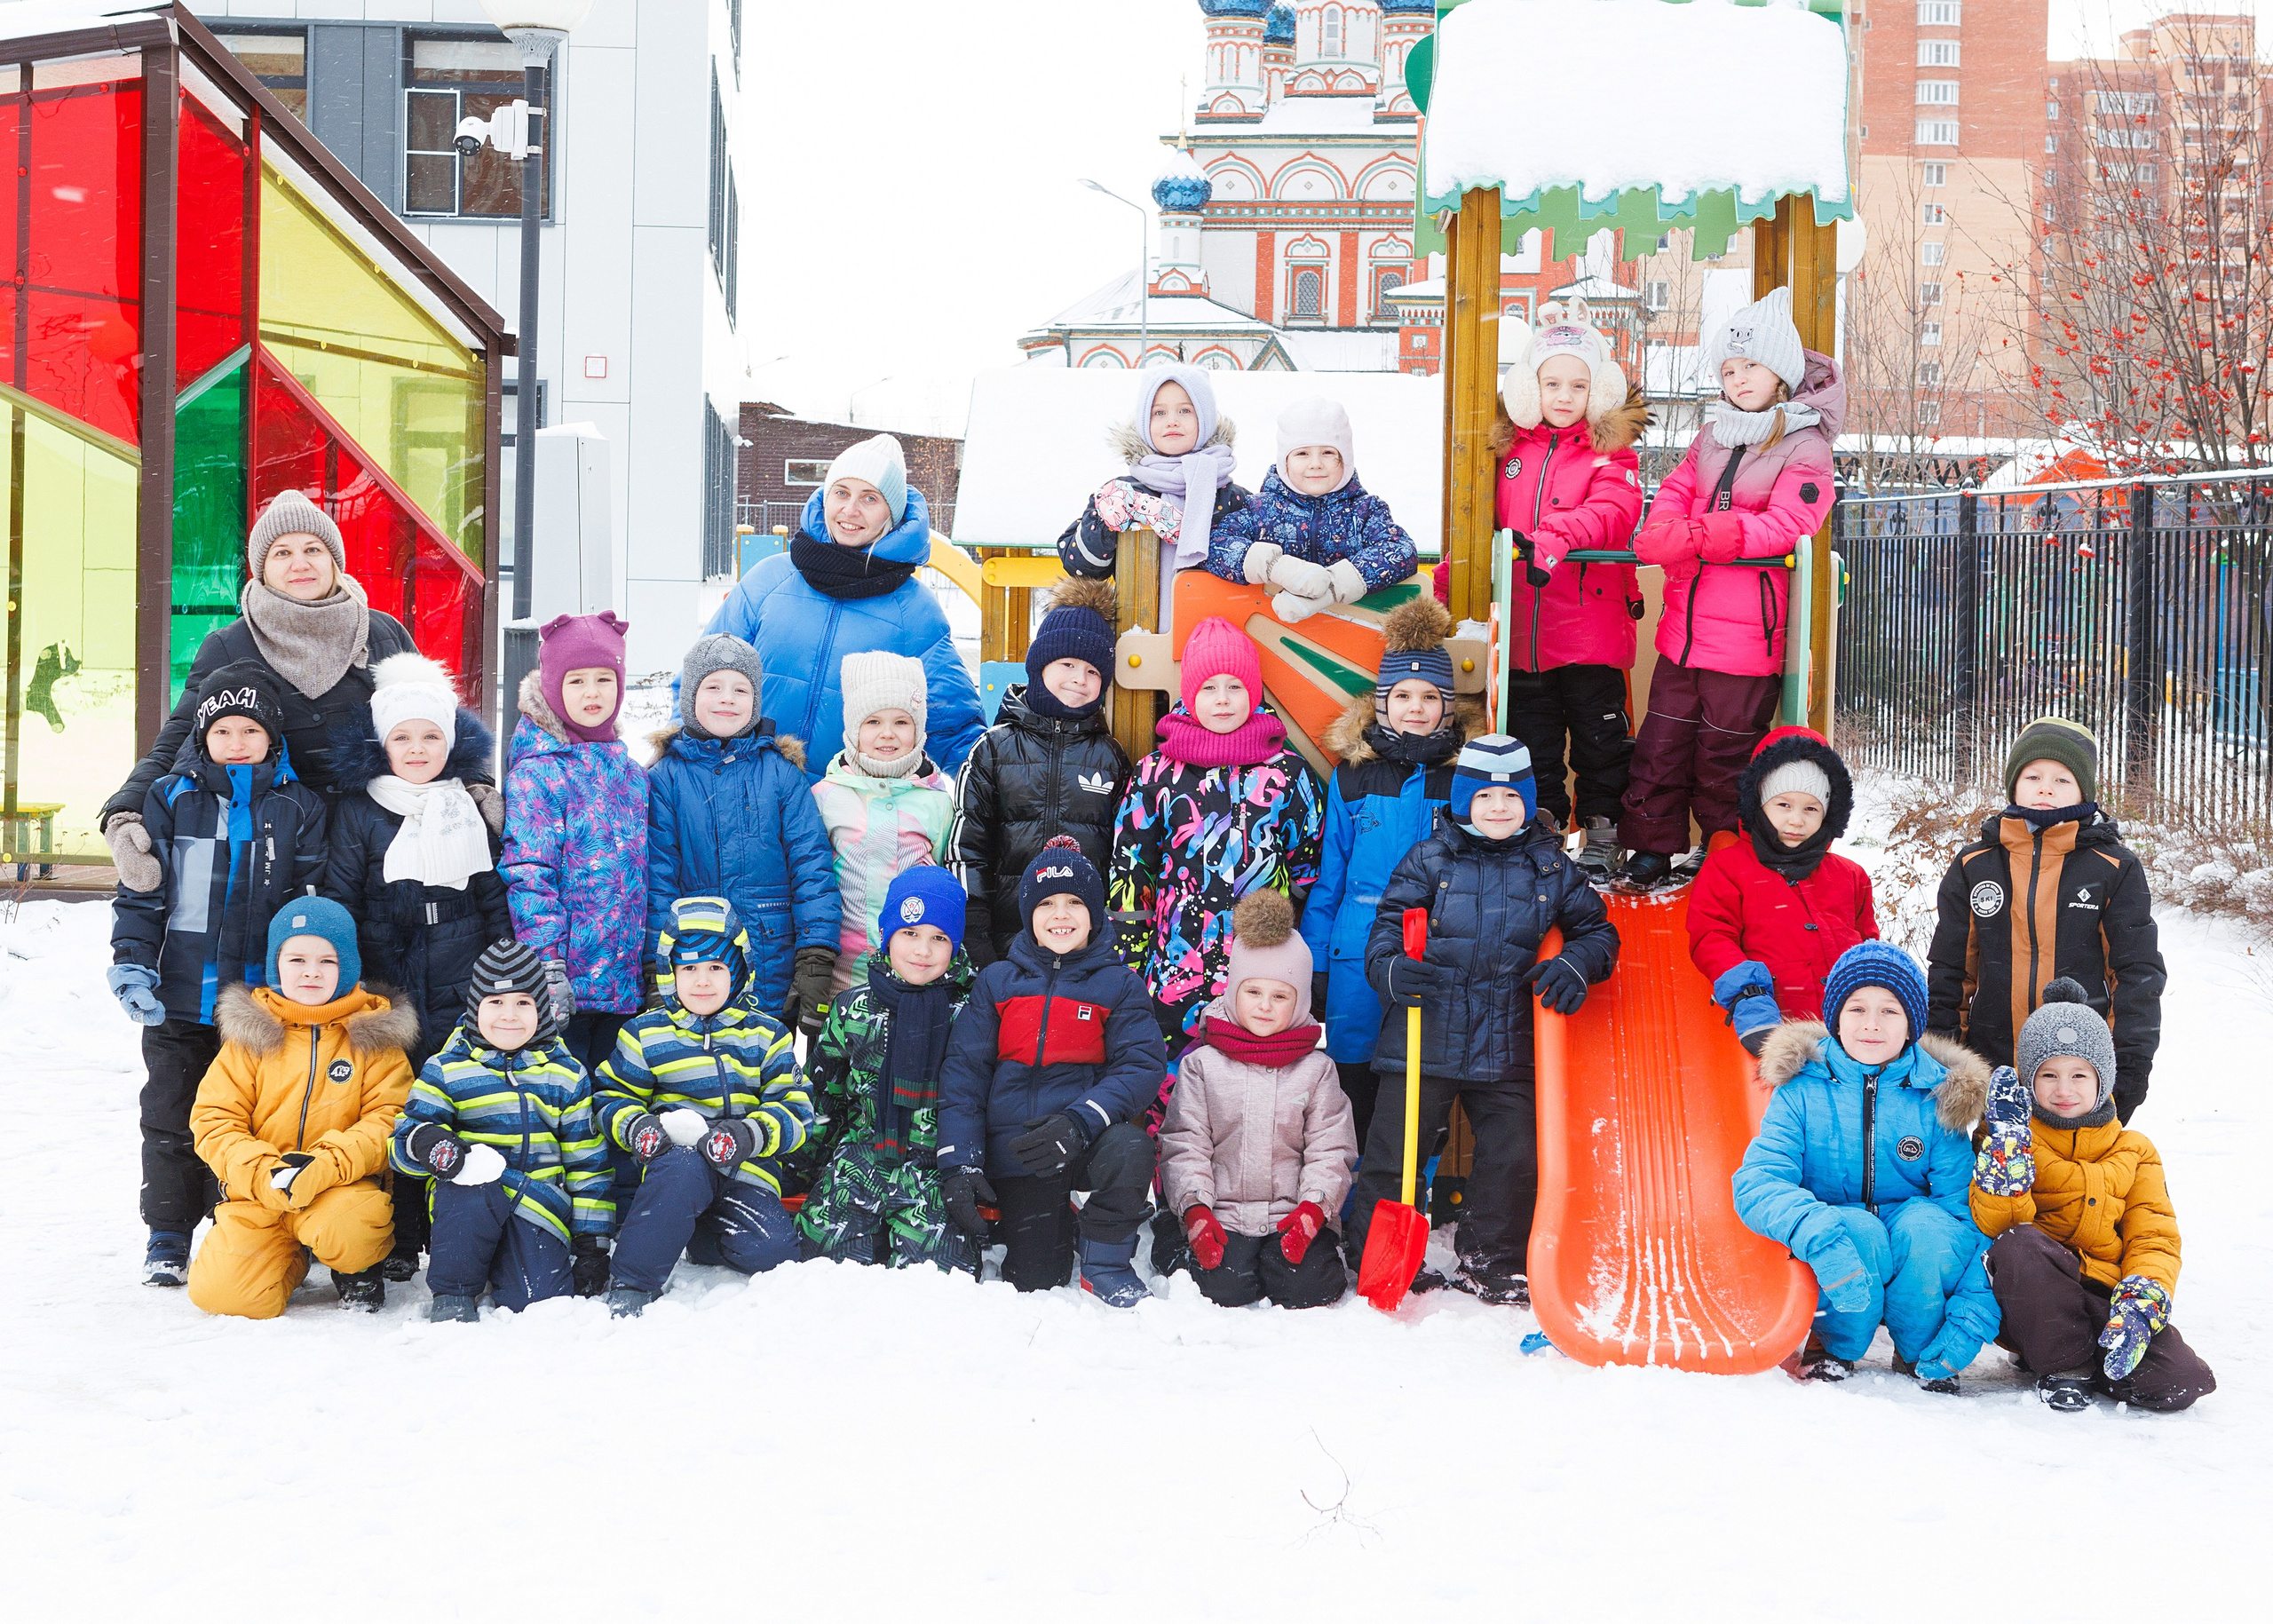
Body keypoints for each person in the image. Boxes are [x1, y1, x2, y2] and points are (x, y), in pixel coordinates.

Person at [101, 489, 492, 891]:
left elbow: (440, 726)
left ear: (334, 561)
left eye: (313, 549)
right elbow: (180, 736)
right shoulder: (230, 646)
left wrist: (479, 787)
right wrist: (126, 809)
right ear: (262, 569)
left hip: (379, 837)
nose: (300, 564)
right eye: (282, 553)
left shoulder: (382, 632)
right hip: (276, 843)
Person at [1347, 736, 1619, 1305]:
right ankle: (1374, 1254)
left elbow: (1599, 932)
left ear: (1528, 802)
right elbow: (1388, 927)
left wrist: (1575, 964)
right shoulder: (1429, 858)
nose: (1498, 807)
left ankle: (1491, 1257)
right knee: (1395, 1149)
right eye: (1485, 796)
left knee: (1515, 1154)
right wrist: (1391, 970)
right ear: (1464, 800)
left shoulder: (1550, 867)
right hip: (1424, 1035)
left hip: (1508, 1042)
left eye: (1510, 797)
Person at [108, 662, 329, 1287]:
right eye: (223, 729)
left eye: (249, 729)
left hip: (259, 1005)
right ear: (202, 734)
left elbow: (309, 901)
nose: (236, 741)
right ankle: (169, 1232)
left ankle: (242, 1224)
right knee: (172, 1115)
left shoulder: (298, 806)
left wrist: (307, 981)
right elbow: (143, 892)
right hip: (179, 999)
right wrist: (132, 960)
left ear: (272, 736)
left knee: (254, 1123)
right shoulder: (173, 798)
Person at [1621, 288, 1841, 887]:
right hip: (1683, 632)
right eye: (1728, 369)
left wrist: (1705, 532)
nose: (1738, 378)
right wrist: (1667, 527)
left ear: (1783, 375)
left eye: (1751, 367)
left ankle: (1720, 848)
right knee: (1661, 742)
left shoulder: (1806, 444)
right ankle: (1649, 846)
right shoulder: (1714, 433)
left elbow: (1790, 524)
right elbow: (1674, 490)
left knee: (1723, 756)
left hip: (1747, 643)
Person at [321, 652, 511, 1281]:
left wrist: (502, 974)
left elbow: (490, 894)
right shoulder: (360, 809)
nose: (418, 747)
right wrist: (348, 983)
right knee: (394, 1108)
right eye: (403, 736)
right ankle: (400, 1231)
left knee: (454, 1099)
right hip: (386, 982)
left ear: (450, 739)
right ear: (382, 742)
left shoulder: (467, 804)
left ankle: (453, 1222)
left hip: (461, 980)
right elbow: (343, 897)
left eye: (431, 735)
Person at [1735, 941, 2000, 1390]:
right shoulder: (1802, 1090)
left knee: (1929, 1228)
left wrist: (1974, 1308)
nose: (1871, 1025)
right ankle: (1834, 1343)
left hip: (1909, 1241)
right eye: (1857, 1008)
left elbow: (1965, 1210)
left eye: (1890, 1011)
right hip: (1832, 1233)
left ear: (1912, 1024)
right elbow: (1759, 1181)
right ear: (1836, 1016)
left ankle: (1920, 1348)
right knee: (1858, 1229)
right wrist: (1816, 1229)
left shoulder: (1937, 1099)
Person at [1445, 299, 1650, 866]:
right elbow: (1483, 528)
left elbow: (1613, 512)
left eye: (1578, 385)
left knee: (1599, 739)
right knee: (1532, 742)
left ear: (1599, 391)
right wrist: (1448, 582)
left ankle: (1605, 833)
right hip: (1522, 635)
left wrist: (1553, 536)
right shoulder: (1508, 452)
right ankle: (1546, 829)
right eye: (1552, 382)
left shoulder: (1611, 456)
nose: (1564, 396)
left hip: (1589, 631)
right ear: (1530, 388)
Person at [937, 837, 1168, 1306]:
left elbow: (1142, 1064)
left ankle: (1106, 1260)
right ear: (1028, 915)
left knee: (1131, 1147)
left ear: (1095, 914)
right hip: (1019, 1150)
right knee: (1036, 1277)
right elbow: (964, 1076)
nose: (1060, 915)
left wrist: (1081, 1120)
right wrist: (960, 1160)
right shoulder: (997, 982)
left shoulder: (1118, 984)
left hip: (1080, 1139)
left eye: (1074, 903)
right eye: (1046, 904)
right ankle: (1055, 1222)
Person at [1969, 979, 2214, 1413]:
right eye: (2048, 1074)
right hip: (2032, 1291)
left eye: (2079, 1074)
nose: (2064, 1089)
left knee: (2180, 1381)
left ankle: (2082, 1353)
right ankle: (2063, 1366)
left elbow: (2153, 1236)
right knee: (2021, 1244)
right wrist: (2007, 1156)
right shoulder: (2011, 1136)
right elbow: (1999, 1228)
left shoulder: (2135, 1150)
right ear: (2029, 1079)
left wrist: (2141, 1302)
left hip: (2105, 1294)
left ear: (2104, 1078)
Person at [699, 434, 985, 781]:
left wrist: (991, 790)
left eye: (870, 498)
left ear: (891, 515)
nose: (850, 510)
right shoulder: (769, 580)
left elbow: (952, 726)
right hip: (750, 795)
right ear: (824, 498)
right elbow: (702, 676)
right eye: (841, 493)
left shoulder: (914, 610)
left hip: (852, 812)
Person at [1926, 717, 2165, 1122]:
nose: (2045, 788)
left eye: (2062, 779)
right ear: (2013, 783)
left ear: (2084, 791)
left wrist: (2128, 1067)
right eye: (2033, 775)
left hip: (2076, 1076)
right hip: (1995, 1062)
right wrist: (1944, 1051)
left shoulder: (2112, 867)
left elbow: (2135, 973)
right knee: (1998, 1180)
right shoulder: (1976, 864)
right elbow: (1952, 969)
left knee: (2075, 1180)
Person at [185, 899, 416, 1318]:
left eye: (327, 960)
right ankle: (288, 1256)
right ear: (277, 966)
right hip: (260, 1194)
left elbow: (390, 1119)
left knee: (350, 1227)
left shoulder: (372, 1037)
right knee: (222, 1296)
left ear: (347, 968)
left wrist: (323, 1167)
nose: (312, 971)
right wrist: (261, 1172)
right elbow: (214, 1119)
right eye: (297, 959)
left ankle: (356, 1267)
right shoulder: (249, 1036)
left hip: (340, 1188)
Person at [1302, 597, 1474, 1147]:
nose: (1415, 708)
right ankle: (1348, 1203)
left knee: (1421, 1089)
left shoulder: (1463, 778)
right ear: (1381, 703)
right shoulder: (1353, 777)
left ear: (1448, 706)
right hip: (1357, 953)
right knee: (1354, 1082)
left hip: (1436, 951)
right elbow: (1331, 877)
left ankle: (1410, 1199)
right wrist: (1316, 962)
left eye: (1430, 697)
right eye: (1402, 696)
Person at [1109, 615, 1324, 1049]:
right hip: (1174, 966)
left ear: (1253, 691)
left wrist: (1283, 926)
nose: (1222, 700)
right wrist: (1129, 964)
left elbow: (1307, 866)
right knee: (1174, 1093)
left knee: (1255, 1088)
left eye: (1235, 687)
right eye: (1209, 688)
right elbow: (1132, 871)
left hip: (1262, 974)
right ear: (1190, 694)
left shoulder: (1287, 772)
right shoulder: (1156, 773)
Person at [595, 897, 811, 1318]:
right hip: (676, 1165)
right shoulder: (645, 1035)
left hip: (743, 1167)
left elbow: (796, 1109)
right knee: (683, 1170)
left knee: (775, 1255)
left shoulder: (768, 1035)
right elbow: (610, 1098)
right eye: (688, 968)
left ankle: (698, 1232)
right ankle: (634, 1279)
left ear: (739, 972)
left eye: (716, 967)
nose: (702, 981)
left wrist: (747, 1135)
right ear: (670, 973)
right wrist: (640, 1128)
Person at [392, 939, 614, 1321]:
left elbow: (586, 1161)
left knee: (537, 1302)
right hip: (469, 1204)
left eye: (523, 1003)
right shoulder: (446, 1069)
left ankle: (508, 1264)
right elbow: (402, 1148)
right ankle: (455, 1290)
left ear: (542, 1009)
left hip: (537, 1205)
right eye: (495, 1003)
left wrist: (591, 1243)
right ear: (475, 1008)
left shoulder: (565, 1074)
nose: (509, 1015)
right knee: (467, 1183)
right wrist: (425, 1141)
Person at [1160, 891, 1356, 1311]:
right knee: (1224, 1290)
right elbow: (1185, 1143)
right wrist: (1195, 1210)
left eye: (1280, 996)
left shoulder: (1316, 1070)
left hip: (1292, 1216)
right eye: (1253, 992)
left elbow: (1330, 1149)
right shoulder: (1202, 1066)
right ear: (1233, 992)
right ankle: (1180, 1243)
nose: (1265, 1007)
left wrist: (1312, 1212)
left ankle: (1300, 1251)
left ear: (1300, 1001)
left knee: (1311, 1289)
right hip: (1222, 1215)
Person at [646, 633, 841, 1031]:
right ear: (690, 697)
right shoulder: (666, 778)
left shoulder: (783, 775)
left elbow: (812, 869)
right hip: (694, 969)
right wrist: (656, 963)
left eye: (740, 689)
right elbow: (657, 879)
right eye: (713, 687)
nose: (727, 699)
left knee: (766, 1082)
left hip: (771, 965)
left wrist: (815, 957)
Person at [796, 867, 977, 1273]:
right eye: (910, 934)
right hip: (863, 1156)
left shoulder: (972, 1011)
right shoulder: (851, 1008)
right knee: (817, 1271)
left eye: (939, 938)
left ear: (956, 944)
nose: (923, 951)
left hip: (933, 1169)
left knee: (938, 1282)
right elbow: (825, 1094)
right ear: (887, 935)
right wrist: (802, 1164)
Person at [950, 577, 1130, 966]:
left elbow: (1123, 853)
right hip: (1003, 939)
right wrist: (975, 928)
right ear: (1040, 665)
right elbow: (967, 845)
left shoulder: (1110, 757)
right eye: (1067, 664)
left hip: (1082, 942)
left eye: (1093, 672)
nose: (1080, 680)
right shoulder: (994, 748)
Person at [500, 611, 648, 1078]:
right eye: (577, 680)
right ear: (551, 686)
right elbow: (529, 874)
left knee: (618, 1104)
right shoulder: (538, 772)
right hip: (565, 987)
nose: (592, 693)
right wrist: (547, 967)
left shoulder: (630, 773)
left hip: (624, 982)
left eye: (605, 679)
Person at [1687, 726, 1879, 1056]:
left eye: (1810, 809)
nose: (1796, 821)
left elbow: (1867, 946)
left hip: (1844, 1037)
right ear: (1759, 803)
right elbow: (1712, 936)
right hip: (1772, 1030)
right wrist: (1750, 995)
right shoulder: (1730, 868)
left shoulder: (1850, 877)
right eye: (1784, 805)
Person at [812, 651, 955, 998]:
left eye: (901, 722)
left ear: (918, 728)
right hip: (841, 972)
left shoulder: (937, 800)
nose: (888, 734)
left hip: (910, 974)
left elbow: (942, 874)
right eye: (873, 722)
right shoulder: (826, 796)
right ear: (853, 728)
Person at [1057, 367, 1250, 622]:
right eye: (1159, 412)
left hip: (1219, 638)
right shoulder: (1125, 492)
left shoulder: (1231, 497)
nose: (1172, 421)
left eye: (1185, 410)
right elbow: (1081, 567)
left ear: (1205, 420)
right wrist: (1104, 521)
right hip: (1139, 635)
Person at [1203, 396, 1419, 621]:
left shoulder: (1365, 511)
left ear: (1345, 460)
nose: (1315, 463)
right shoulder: (1260, 511)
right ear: (1284, 461)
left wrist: (1332, 587)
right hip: (1268, 634)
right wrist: (1276, 567)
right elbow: (1214, 544)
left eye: (1328, 452)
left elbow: (1401, 550)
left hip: (1351, 638)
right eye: (1302, 453)